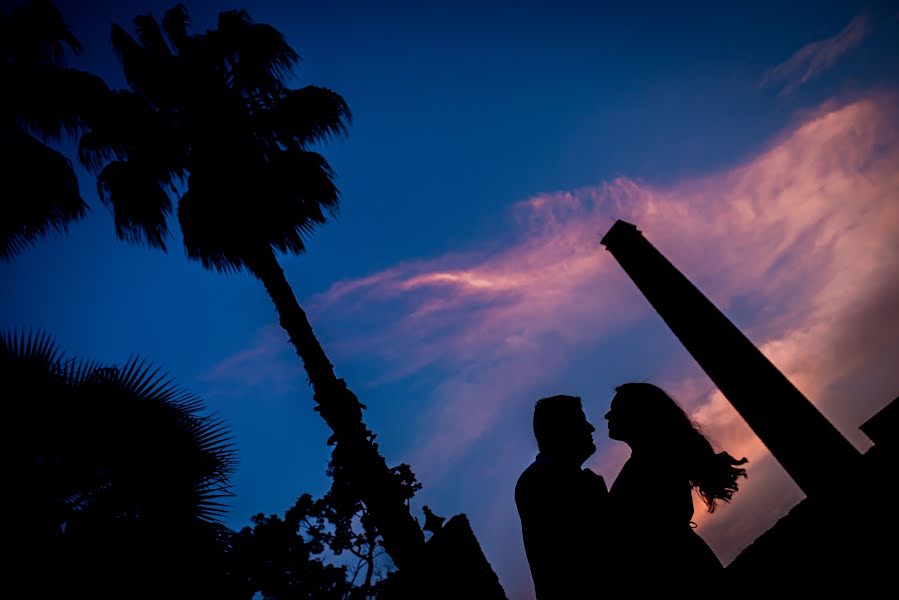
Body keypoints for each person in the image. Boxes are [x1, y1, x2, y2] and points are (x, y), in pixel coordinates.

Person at [604, 383, 747, 587]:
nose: (607, 416)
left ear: (639, 415)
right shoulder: (650, 459)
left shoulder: (652, 462)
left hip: (679, 571)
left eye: (616, 410)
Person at [516, 395, 609, 599]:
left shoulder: (545, 477)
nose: (591, 428)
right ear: (562, 430)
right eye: (581, 421)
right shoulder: (544, 480)